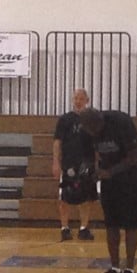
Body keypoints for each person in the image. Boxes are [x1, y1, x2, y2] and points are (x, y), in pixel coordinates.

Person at [78, 107, 137, 273]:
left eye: (96, 129)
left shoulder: (121, 122)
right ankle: (115, 268)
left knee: (131, 223)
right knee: (111, 222)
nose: (95, 133)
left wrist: (111, 171)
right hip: (108, 177)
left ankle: (130, 270)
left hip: (132, 176)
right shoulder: (86, 131)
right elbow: (87, 157)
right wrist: (87, 173)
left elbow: (135, 155)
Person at [52, 88, 96, 241]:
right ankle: (65, 228)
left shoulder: (91, 119)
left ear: (87, 101)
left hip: (87, 163)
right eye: (76, 98)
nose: (78, 101)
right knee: (64, 197)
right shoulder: (65, 119)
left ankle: (84, 228)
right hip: (68, 163)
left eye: (81, 99)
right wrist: (56, 162)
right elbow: (57, 142)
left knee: (87, 197)